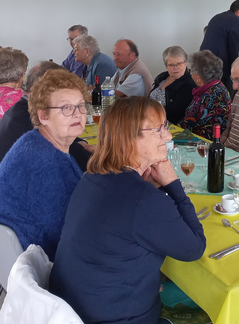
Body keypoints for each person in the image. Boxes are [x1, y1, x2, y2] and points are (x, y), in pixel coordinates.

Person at [49, 97, 206, 324]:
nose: (168, 136)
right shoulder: (144, 200)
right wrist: (174, 185)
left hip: (73, 309)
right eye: (159, 129)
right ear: (129, 139)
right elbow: (194, 248)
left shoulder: (92, 177)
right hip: (118, 317)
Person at [0, 70, 89, 260]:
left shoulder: (35, 141)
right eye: (66, 108)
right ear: (43, 116)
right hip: (42, 261)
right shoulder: (44, 164)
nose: (78, 114)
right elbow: (67, 235)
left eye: (81, 106)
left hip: (31, 248)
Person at [0, 62, 92, 193]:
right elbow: (73, 162)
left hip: (0, 192)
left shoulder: (21, 110)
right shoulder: (32, 123)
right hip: (9, 196)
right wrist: (94, 155)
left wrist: (81, 145)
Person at [200, 0, 239, 88]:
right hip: (219, 63)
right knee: (222, 91)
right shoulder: (236, 20)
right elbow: (233, 45)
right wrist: (235, 66)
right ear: (238, 12)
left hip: (203, 58)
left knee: (207, 89)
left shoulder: (217, 17)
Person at [180, 50, 230, 139]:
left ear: (198, 77)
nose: (190, 74)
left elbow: (188, 124)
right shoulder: (220, 86)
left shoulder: (207, 96)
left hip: (203, 142)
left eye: (191, 71)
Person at [149, 46, 196, 125]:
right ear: (166, 66)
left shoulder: (190, 84)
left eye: (179, 63)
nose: (176, 67)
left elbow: (176, 113)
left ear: (185, 63)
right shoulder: (162, 77)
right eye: (171, 65)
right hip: (151, 118)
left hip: (171, 124)